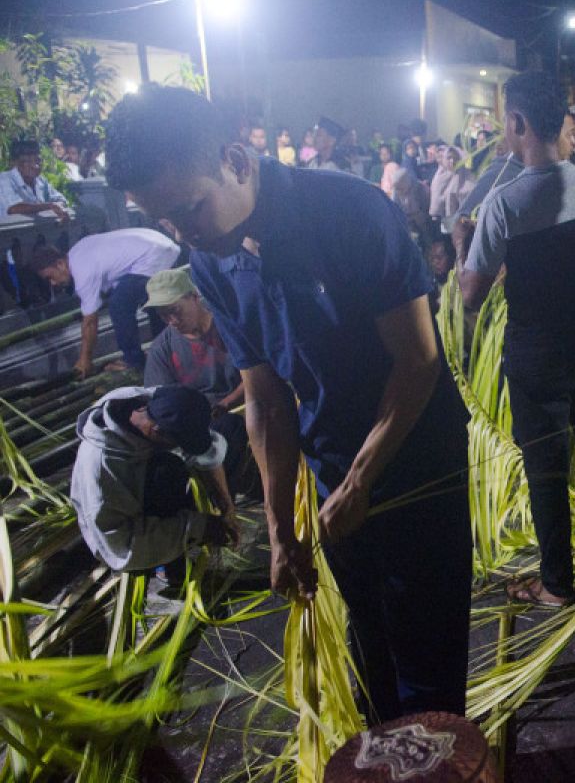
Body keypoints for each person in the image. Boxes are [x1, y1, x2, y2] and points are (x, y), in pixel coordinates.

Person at [105, 83, 472, 722]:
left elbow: (417, 361)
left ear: (236, 162)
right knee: (370, 642)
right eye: (164, 220)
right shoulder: (211, 259)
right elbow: (267, 402)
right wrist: (280, 532)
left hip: (414, 459)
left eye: (189, 209)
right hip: (332, 464)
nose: (181, 231)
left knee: (427, 656)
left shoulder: (351, 212)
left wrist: (361, 480)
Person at [457, 71, 575, 607]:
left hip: (536, 351)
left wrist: (464, 247)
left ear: (517, 122)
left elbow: (470, 296)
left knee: (545, 465)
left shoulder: (504, 203)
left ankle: (557, 582)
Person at [71, 384, 237, 573]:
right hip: (125, 538)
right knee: (167, 469)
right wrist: (200, 527)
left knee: (231, 427)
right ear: (157, 431)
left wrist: (226, 503)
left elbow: (208, 452)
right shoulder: (102, 470)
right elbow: (119, 546)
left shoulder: (152, 401)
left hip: (146, 473)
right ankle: (168, 568)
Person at [142, 268, 250, 484]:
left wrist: (227, 403)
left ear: (194, 297)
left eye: (176, 310)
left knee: (229, 427)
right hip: (198, 426)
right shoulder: (162, 349)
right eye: (164, 315)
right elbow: (164, 402)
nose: (172, 320)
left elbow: (260, 374)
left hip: (246, 408)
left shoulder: (230, 323)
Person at [31, 228, 179, 374]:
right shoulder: (77, 253)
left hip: (152, 255)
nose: (53, 283)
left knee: (118, 305)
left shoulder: (81, 272)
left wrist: (84, 360)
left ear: (60, 264)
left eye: (50, 277)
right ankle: (165, 348)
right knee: (149, 301)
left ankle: (134, 362)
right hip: (160, 244)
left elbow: (90, 322)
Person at [2, 140, 70, 221]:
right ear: (14, 163)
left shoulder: (40, 180)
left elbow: (61, 199)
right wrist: (50, 206)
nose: (35, 166)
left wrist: (57, 206)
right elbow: (13, 209)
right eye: (28, 161)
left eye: (38, 160)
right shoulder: (4, 179)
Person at [429, 145, 474, 234]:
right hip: (444, 219)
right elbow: (436, 199)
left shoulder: (466, 176)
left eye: (455, 158)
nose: (452, 161)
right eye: (448, 158)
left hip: (464, 223)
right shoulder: (441, 176)